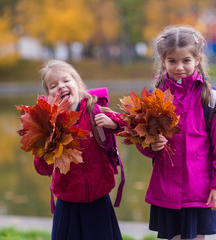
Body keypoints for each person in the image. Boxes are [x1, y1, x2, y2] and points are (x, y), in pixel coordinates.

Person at [138, 26, 216, 240]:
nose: (179, 67)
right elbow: (141, 137)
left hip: (199, 190)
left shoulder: (209, 97)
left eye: (186, 61)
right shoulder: (155, 97)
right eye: (172, 61)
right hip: (167, 189)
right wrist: (151, 145)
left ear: (197, 59)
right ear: (163, 61)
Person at [33, 59, 125, 240]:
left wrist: (114, 124)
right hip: (67, 203)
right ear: (49, 95)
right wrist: (46, 149)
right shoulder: (49, 125)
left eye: (66, 81)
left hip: (99, 199)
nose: (60, 86)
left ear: (79, 85)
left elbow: (129, 124)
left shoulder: (95, 111)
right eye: (53, 85)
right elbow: (42, 169)